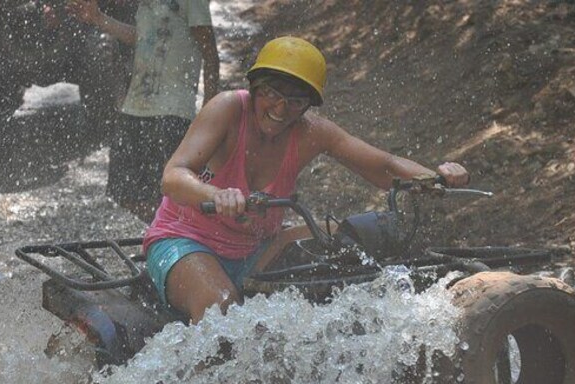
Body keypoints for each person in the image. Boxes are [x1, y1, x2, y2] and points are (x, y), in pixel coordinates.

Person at [142, 36, 470, 323]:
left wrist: (435, 177)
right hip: (184, 241)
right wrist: (215, 193)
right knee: (222, 307)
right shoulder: (228, 109)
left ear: (306, 106)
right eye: (272, 94)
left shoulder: (311, 132)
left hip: (260, 250)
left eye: (295, 101)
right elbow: (172, 177)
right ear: (255, 88)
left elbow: (384, 165)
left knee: (348, 248)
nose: (281, 109)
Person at [67, 0, 220, 222]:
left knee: (169, 193)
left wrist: (209, 113)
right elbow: (144, 39)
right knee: (123, 193)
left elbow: (210, 53)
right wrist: (98, 18)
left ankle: (173, 237)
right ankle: (166, 233)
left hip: (173, 112)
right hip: (135, 108)